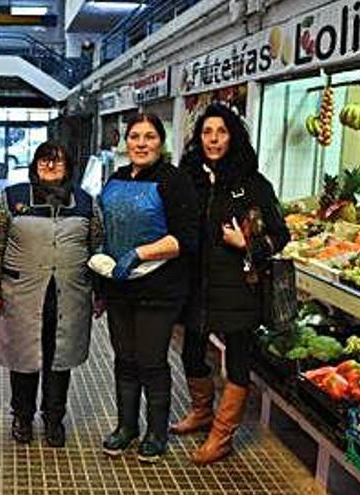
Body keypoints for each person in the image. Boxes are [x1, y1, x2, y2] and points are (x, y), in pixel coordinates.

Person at [172, 103, 290, 465]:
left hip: (239, 287)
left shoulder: (252, 183)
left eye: (221, 132)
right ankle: (202, 411)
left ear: (232, 136)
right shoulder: (187, 178)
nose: (213, 139)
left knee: (238, 361)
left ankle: (222, 436)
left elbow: (280, 235)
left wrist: (248, 244)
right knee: (192, 352)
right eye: (207, 132)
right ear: (198, 137)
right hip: (196, 286)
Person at [0, 142, 103, 448]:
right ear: (34, 165)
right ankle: (22, 417)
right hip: (22, 295)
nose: (50, 166)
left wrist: (101, 293)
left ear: (69, 168)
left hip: (70, 297)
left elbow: (98, 248)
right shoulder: (13, 198)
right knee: (24, 359)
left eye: (57, 162)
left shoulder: (86, 202)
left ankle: (54, 418)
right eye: (44, 161)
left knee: (59, 360)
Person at [96, 113, 199, 463]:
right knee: (124, 358)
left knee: (151, 360)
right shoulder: (117, 178)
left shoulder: (174, 180)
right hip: (119, 286)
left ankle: (156, 432)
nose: (141, 143)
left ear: (161, 143)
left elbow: (185, 237)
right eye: (135, 137)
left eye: (149, 137)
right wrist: (101, 277)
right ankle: (126, 427)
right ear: (126, 143)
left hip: (160, 288)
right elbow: (104, 228)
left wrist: (140, 253)